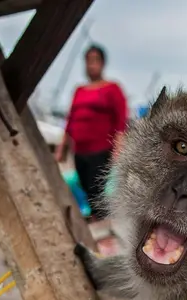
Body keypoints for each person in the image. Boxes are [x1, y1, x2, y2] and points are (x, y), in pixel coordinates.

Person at [55, 44, 127, 221]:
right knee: (86, 188)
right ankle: (96, 221)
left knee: (98, 190)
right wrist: (62, 147)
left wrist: (118, 148)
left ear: (102, 63)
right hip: (79, 150)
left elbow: (120, 121)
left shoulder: (112, 88)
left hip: (101, 149)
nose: (91, 65)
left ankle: (102, 224)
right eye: (88, 61)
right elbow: (70, 120)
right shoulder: (79, 91)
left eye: (95, 61)